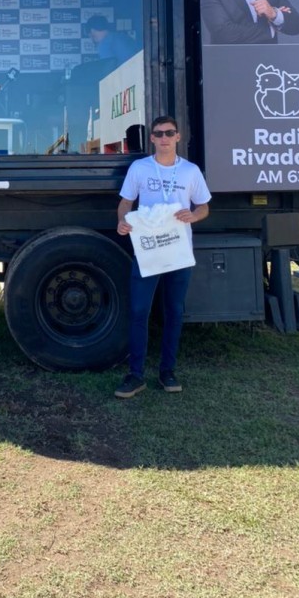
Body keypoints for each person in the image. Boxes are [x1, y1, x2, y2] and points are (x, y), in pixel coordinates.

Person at [114, 115, 211, 398]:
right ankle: (135, 375)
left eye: (170, 133)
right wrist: (122, 222)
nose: (165, 138)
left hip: (179, 253)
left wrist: (193, 215)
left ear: (178, 137)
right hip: (148, 252)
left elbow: (204, 206)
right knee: (139, 312)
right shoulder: (140, 168)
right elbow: (125, 203)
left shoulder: (191, 171)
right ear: (153, 139)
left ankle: (167, 371)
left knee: (174, 312)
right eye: (159, 133)